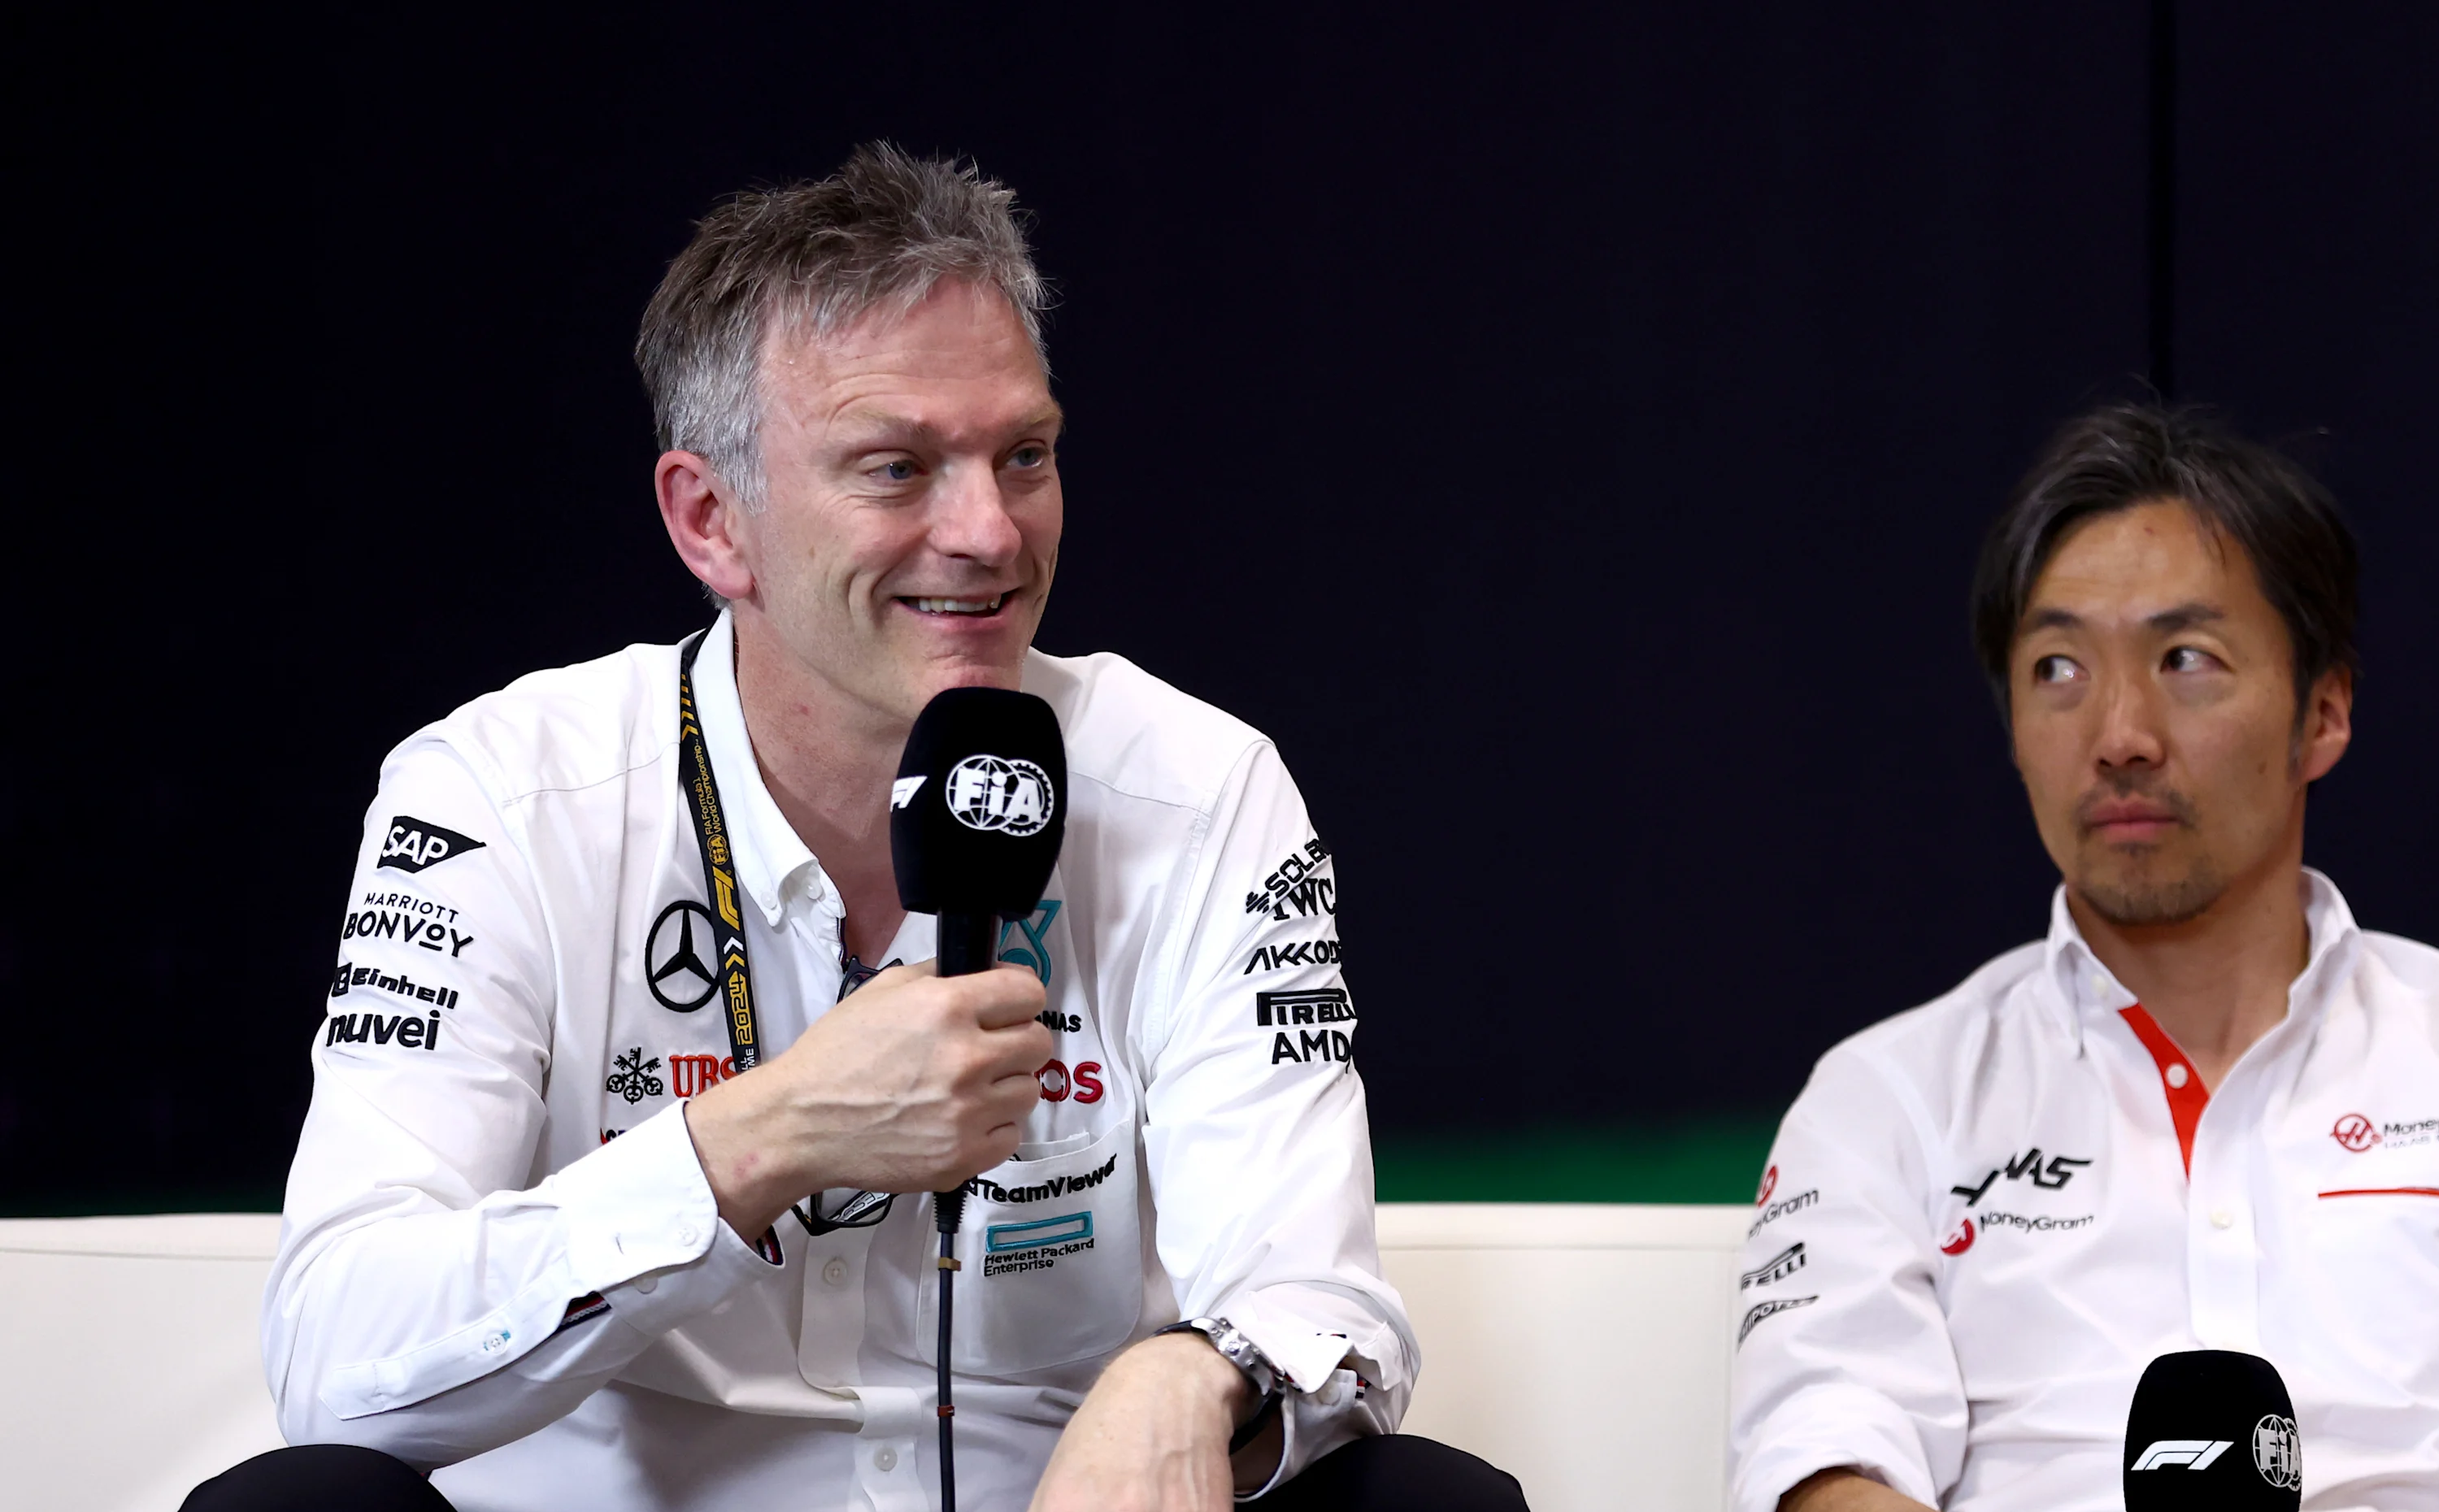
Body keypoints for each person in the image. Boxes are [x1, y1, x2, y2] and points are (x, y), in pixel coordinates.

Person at [198, 146, 1522, 1512]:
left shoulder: (1195, 788)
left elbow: (1322, 1305)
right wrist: (760, 1144)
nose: (990, 533)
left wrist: (1190, 1374)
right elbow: (338, 1358)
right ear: (713, 521)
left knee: (1423, 1502)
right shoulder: (501, 796)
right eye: (897, 469)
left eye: (1026, 455)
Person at [1729, 405, 2439, 1512]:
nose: (2120, 732)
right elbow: (1825, 1462)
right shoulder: (1883, 1104)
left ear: (2323, 713)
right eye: (2056, 668)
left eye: (2185, 659)